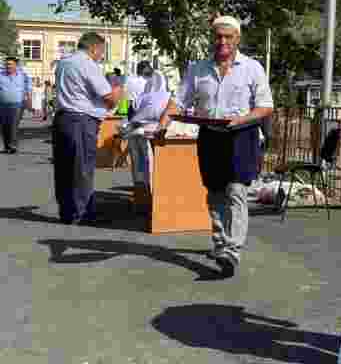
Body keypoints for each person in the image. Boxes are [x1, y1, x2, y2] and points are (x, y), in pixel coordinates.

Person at [158, 16, 273, 277]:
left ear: (237, 39)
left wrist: (242, 119)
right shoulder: (198, 69)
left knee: (236, 191)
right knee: (215, 193)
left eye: (228, 37)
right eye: (218, 36)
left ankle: (232, 250)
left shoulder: (252, 68)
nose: (222, 41)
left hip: (241, 135)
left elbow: (266, 106)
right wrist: (163, 124)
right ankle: (221, 244)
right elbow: (179, 100)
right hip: (210, 136)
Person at [52, 32, 123, 224]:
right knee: (82, 168)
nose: (101, 55)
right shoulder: (87, 64)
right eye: (101, 51)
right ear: (94, 48)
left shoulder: (64, 62)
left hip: (63, 118)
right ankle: (82, 213)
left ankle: (68, 212)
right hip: (81, 120)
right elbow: (109, 97)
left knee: (64, 169)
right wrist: (118, 87)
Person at [119, 87, 171, 215]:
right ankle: (149, 202)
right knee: (149, 169)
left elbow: (123, 111)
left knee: (139, 170)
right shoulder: (165, 95)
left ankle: (142, 202)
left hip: (135, 129)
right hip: (148, 131)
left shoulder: (129, 87)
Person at [0, 57, 32, 153]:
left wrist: (29, 99)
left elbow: (28, 86)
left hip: (17, 104)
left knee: (13, 125)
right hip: (2, 104)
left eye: (10, 64)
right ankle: (7, 146)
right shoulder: (1, 75)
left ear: (15, 65)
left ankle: (13, 146)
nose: (8, 66)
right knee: (4, 126)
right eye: (7, 64)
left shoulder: (22, 75)